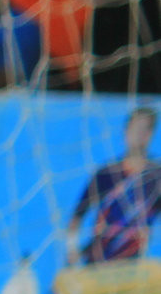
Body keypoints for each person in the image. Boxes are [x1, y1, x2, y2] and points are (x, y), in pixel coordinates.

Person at [67, 107, 158, 264]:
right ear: (126, 131)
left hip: (133, 267)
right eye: (136, 128)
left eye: (145, 129)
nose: (139, 134)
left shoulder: (156, 176)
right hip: (98, 263)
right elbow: (76, 217)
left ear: (151, 135)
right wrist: (72, 249)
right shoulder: (106, 173)